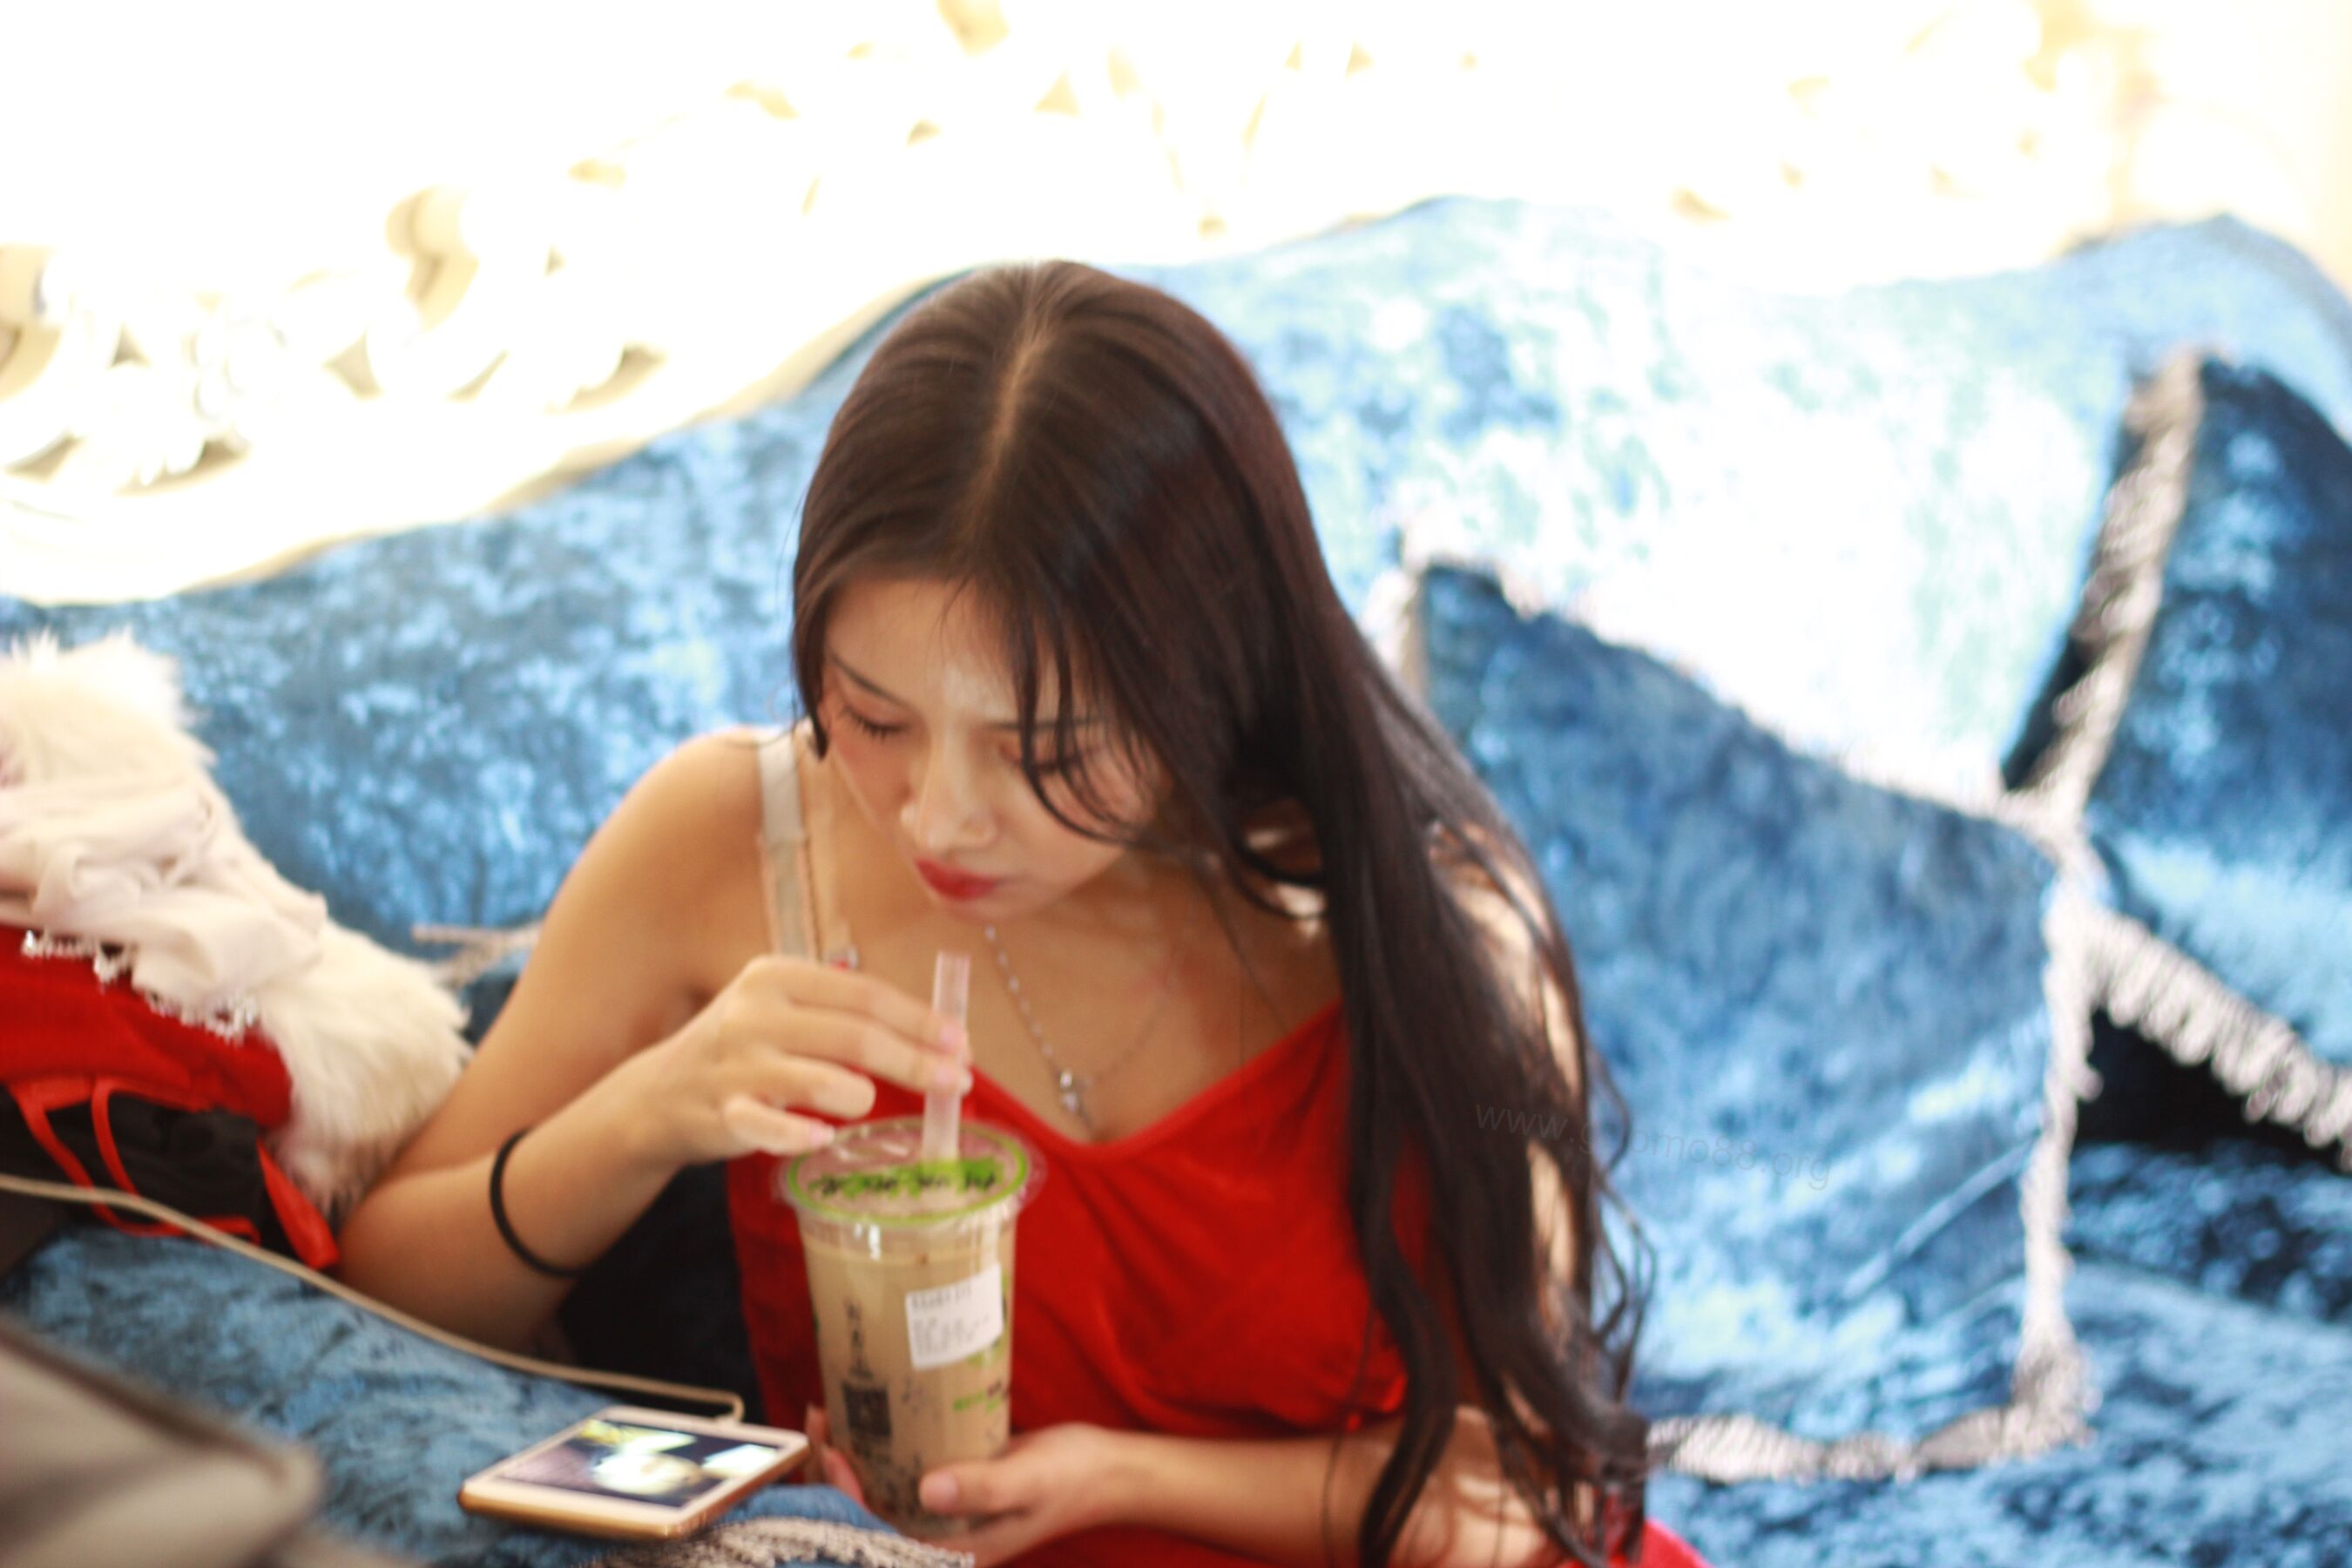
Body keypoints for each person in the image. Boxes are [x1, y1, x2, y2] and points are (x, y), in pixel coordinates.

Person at [335, 260, 1709, 1568]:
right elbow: (379, 1295)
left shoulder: (1423, 931)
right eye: (873, 718)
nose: (937, 818)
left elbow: (1515, 1498)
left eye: (1043, 750)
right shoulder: (732, 847)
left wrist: (1116, 1479)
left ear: (1205, 685)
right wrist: (646, 1117)